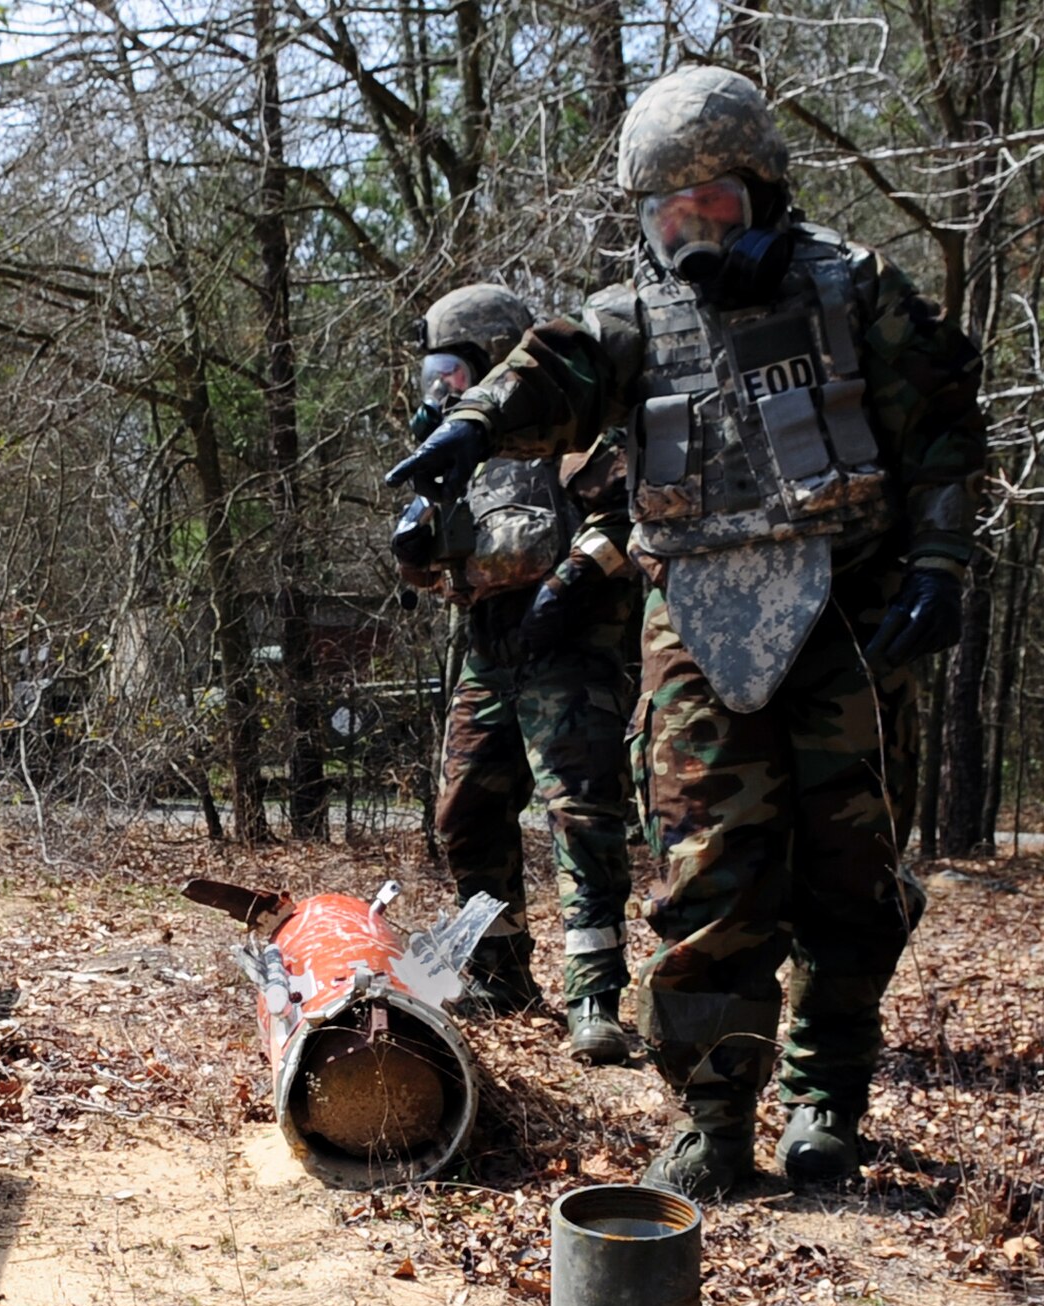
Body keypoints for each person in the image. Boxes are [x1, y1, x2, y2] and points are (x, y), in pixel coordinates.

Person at [386, 66, 985, 1197]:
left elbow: (944, 432)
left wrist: (942, 563)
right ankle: (712, 1115)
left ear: (760, 190)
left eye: (713, 204)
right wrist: (468, 426)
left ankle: (823, 1102)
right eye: (668, 212)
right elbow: (550, 366)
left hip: (847, 619)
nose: (691, 229)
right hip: (697, 628)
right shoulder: (632, 319)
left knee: (851, 876)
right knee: (705, 881)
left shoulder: (853, 293)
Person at [389, 283, 639, 1066]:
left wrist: (571, 583)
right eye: (437, 370)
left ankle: (593, 995)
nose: (443, 385)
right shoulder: (455, 453)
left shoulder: (568, 429)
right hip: (490, 649)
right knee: (465, 812)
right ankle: (499, 969)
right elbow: (444, 571)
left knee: (581, 817)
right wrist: (418, 556)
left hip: (569, 645)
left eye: (455, 367)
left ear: (494, 351)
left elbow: (623, 516)